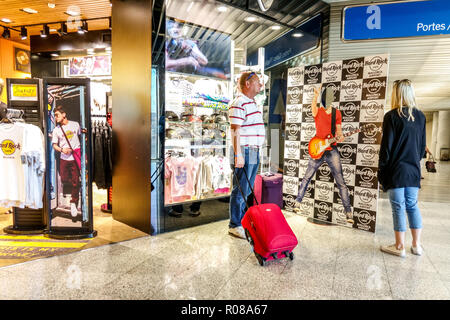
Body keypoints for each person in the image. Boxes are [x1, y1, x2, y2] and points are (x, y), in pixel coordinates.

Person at [378, 79, 426, 258]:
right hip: (413, 170)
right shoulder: (420, 116)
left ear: (397, 94)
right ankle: (416, 245)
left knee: (398, 207)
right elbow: (422, 149)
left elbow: (386, 149)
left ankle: (399, 247)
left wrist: (381, 172)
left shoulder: (391, 116)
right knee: (412, 206)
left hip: (396, 171)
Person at [295, 85, 354, 223]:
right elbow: (312, 107)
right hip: (318, 149)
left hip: (331, 150)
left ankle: (348, 212)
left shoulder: (337, 113)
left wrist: (340, 136)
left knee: (341, 182)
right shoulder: (318, 111)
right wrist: (315, 94)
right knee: (307, 177)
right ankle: (297, 202)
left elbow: (339, 131)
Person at [228, 71, 264, 239]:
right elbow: (235, 130)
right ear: (247, 84)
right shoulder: (239, 102)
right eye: (258, 82)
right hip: (245, 151)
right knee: (240, 189)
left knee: (247, 190)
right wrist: (238, 155)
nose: (261, 85)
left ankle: (242, 222)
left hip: (253, 151)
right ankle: (234, 225)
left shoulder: (252, 102)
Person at [51, 106, 82, 218]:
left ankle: (73, 202)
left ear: (64, 114)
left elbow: (81, 137)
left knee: (75, 181)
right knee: (64, 179)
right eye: (54, 115)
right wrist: (62, 149)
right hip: (64, 157)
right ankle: (76, 187)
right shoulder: (56, 130)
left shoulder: (75, 124)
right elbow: (54, 145)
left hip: (75, 157)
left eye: (57, 115)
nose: (55, 117)